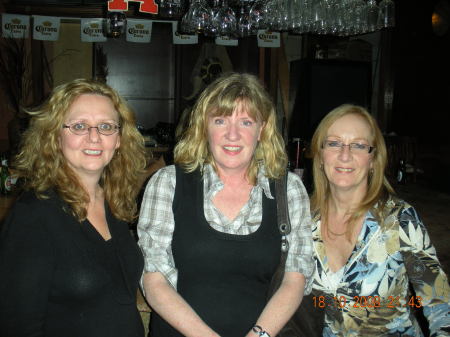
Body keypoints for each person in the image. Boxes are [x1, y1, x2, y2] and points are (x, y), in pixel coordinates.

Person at [137, 72, 314, 337]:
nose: (232, 135)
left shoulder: (289, 190)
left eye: (245, 122)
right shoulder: (168, 183)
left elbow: (295, 278)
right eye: (220, 120)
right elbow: (153, 279)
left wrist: (258, 335)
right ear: (204, 126)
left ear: (262, 129)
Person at [0, 79, 147, 337]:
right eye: (79, 126)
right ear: (55, 136)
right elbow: (17, 326)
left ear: (119, 139)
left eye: (106, 126)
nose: (94, 137)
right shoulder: (33, 215)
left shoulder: (114, 201)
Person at [309, 104, 450, 336]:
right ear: (320, 155)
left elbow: (440, 304)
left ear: (373, 160)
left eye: (359, 145)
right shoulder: (303, 220)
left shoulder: (400, 220)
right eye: (334, 143)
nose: (345, 154)